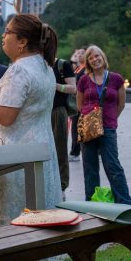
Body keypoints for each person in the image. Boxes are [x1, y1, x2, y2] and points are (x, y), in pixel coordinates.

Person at [0, 15, 63, 230]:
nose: (3, 36)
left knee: (12, 223)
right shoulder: (45, 67)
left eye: (7, 32)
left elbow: (6, 117)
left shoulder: (20, 70)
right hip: (40, 149)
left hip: (15, 157)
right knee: (36, 221)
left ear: (22, 42)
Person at [76, 45, 131, 205]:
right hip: (88, 129)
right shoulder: (84, 80)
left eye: (97, 56)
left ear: (103, 56)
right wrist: (91, 119)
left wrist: (110, 119)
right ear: (87, 62)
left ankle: (124, 202)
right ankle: (92, 202)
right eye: (91, 58)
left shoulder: (116, 79)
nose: (95, 59)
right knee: (90, 168)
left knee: (113, 166)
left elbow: (121, 104)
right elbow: (79, 105)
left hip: (108, 128)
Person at [51, 53, 76, 198]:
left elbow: (73, 88)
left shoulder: (62, 65)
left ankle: (62, 186)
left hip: (58, 111)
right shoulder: (38, 65)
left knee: (60, 149)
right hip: (40, 111)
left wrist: (54, 85)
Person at [68, 49, 85, 162]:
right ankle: (75, 152)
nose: (78, 56)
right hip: (76, 102)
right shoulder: (79, 68)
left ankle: (75, 153)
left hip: (81, 103)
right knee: (76, 128)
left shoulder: (85, 70)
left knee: (77, 129)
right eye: (77, 54)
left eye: (81, 54)